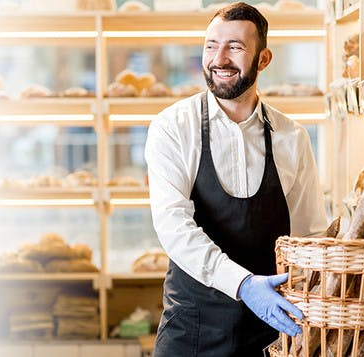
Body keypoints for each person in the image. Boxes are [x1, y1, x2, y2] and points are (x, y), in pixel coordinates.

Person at [144, 2, 327, 356]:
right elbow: (173, 227)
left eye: (236, 47)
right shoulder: (173, 128)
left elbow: (309, 237)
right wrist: (244, 285)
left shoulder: (292, 137)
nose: (219, 58)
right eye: (211, 45)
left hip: (272, 333)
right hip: (192, 332)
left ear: (263, 59)